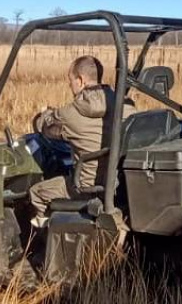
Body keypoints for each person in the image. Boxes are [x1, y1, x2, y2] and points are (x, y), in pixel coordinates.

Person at [28, 55, 136, 226]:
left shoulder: (70, 114)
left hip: (86, 186)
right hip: (117, 182)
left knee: (37, 192)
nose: (70, 85)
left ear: (80, 80)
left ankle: (45, 240)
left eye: (70, 81)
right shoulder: (125, 106)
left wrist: (44, 114)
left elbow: (46, 128)